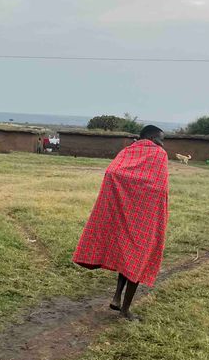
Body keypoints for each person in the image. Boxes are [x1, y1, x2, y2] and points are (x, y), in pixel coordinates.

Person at [72, 125, 169, 319]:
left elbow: (112, 173)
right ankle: (125, 309)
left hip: (125, 214)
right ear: (150, 137)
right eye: (160, 139)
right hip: (145, 218)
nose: (162, 144)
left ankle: (117, 298)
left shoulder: (127, 152)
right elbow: (159, 187)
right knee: (138, 260)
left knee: (128, 257)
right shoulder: (159, 154)